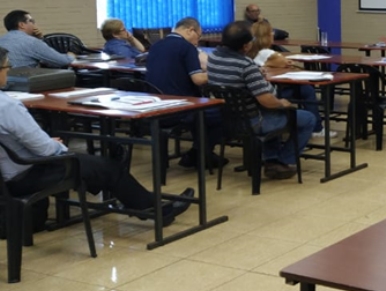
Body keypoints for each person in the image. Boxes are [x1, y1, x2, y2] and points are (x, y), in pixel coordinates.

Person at [0, 48, 193, 225]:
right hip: (25, 174)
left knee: (94, 165)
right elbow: (45, 150)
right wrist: (56, 146)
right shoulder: (8, 106)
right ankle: (158, 212)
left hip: (8, 174)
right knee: (109, 168)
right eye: (7, 67)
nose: (8, 72)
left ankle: (130, 195)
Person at [207, 21, 317, 180]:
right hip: (254, 121)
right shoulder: (246, 66)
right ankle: (283, 161)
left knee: (273, 112)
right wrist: (282, 103)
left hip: (227, 119)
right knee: (306, 118)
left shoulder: (214, 58)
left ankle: (271, 159)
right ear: (246, 46)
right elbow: (267, 100)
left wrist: (257, 75)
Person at [146, 17, 225, 169]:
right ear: (190, 30)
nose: (198, 40)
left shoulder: (156, 46)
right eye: (199, 36)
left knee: (206, 112)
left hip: (156, 105)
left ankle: (199, 153)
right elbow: (198, 79)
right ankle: (200, 153)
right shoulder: (186, 47)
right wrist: (219, 72)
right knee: (224, 112)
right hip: (180, 107)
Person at [247, 20, 329, 137]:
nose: (273, 34)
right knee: (307, 89)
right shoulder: (267, 52)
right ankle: (317, 128)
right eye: (271, 32)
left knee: (304, 89)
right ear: (265, 36)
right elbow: (284, 62)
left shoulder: (250, 52)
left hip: (259, 91)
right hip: (273, 92)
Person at [0, 10, 73, 69]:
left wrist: (38, 39)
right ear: (21, 25)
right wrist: (71, 55)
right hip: (22, 84)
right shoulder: (31, 42)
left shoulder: (2, 40)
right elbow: (62, 61)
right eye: (32, 21)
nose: (34, 24)